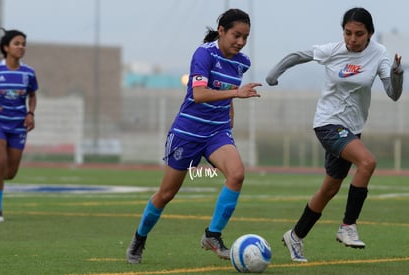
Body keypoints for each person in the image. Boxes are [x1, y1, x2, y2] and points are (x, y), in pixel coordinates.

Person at [266, 7, 403, 262]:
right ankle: (347, 226)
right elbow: (298, 55)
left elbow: (393, 94)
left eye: (359, 34)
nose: (352, 39)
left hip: (352, 129)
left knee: (329, 189)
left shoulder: (380, 54)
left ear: (370, 34)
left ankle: (295, 235)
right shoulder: (333, 50)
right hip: (328, 124)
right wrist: (274, 74)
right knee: (368, 162)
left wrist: (397, 74)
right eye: (348, 33)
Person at [126, 8, 261, 264]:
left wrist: (229, 124)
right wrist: (236, 94)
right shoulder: (204, 54)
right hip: (187, 133)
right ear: (221, 31)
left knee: (237, 174)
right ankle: (139, 238)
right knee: (166, 194)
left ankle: (213, 235)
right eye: (236, 35)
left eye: (245, 37)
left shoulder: (242, 62)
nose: (241, 42)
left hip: (217, 132)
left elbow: (230, 93)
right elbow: (199, 95)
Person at [0, 28, 38, 222]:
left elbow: (32, 95)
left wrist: (30, 113)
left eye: (23, 44)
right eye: (17, 43)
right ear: (6, 47)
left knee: (9, 173)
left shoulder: (29, 73)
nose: (21, 47)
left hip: (18, 125)